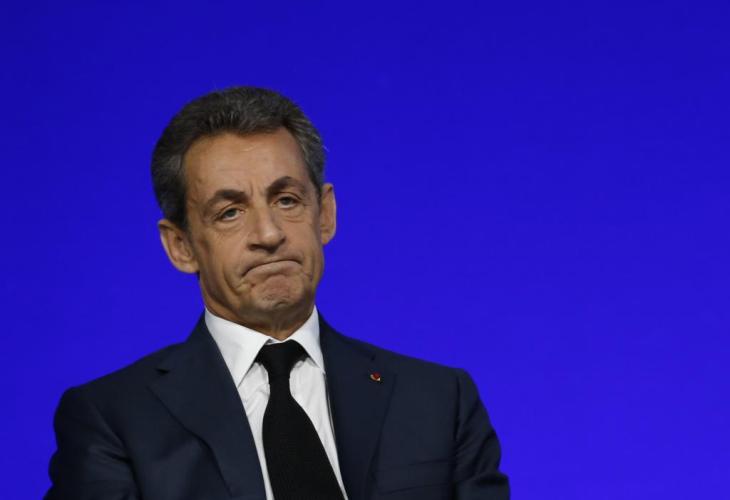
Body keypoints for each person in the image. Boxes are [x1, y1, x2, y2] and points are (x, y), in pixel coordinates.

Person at [45, 86, 510, 500]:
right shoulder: (114, 420)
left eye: (287, 200)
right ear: (181, 246)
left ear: (325, 214)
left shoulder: (439, 400)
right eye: (230, 212)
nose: (268, 234)